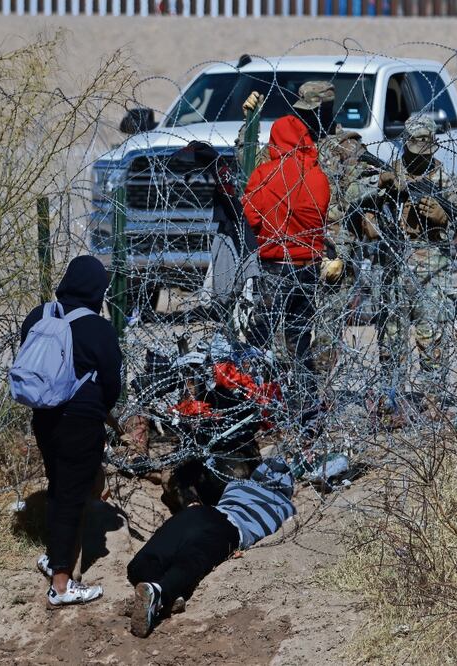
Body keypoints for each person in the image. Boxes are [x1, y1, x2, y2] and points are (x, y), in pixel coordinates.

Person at [236, 81, 374, 379]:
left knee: (326, 332)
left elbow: (361, 196)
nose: (308, 118)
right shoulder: (292, 143)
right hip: (297, 253)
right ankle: (286, 395)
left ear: (328, 109)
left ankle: (314, 394)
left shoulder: (348, 147)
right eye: (303, 112)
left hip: (334, 255)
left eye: (314, 112)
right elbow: (252, 170)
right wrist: (248, 126)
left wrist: (341, 252)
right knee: (285, 338)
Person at [18, 255, 123, 608]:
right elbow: (112, 385)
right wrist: (101, 411)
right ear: (97, 290)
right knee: (72, 498)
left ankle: (54, 557)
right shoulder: (99, 328)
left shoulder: (39, 315)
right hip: (80, 422)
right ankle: (61, 585)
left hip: (43, 415)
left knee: (60, 487)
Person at [126, 457, 296, 637]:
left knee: (144, 562)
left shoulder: (236, 485)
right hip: (231, 530)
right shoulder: (286, 508)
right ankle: (161, 592)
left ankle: (155, 588)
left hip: (200, 513)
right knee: (192, 560)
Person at [241, 115, 330, 422]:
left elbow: (251, 218)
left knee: (260, 339)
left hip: (275, 268)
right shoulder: (318, 177)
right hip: (308, 268)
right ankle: (306, 406)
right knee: (299, 340)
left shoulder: (264, 175)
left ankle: (253, 402)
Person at [376, 115, 457, 393]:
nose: (418, 159)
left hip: (433, 272)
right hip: (395, 269)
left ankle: (431, 403)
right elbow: (356, 196)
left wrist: (445, 218)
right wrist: (383, 183)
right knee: (390, 341)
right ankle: (391, 399)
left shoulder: (449, 184)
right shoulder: (390, 176)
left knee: (431, 341)